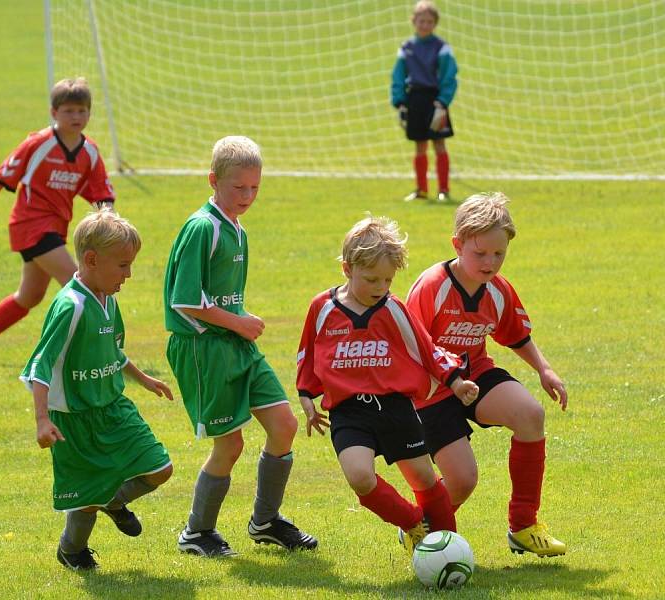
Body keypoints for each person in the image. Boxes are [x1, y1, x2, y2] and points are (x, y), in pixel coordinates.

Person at [163, 136, 317, 557]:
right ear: (213, 180)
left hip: (235, 342)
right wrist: (239, 323)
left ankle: (265, 521)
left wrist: (241, 321)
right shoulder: (202, 228)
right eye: (238, 188)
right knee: (230, 445)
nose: (247, 196)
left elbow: (222, 297)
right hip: (204, 348)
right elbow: (185, 299)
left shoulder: (237, 229)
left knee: (284, 426)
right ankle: (197, 532)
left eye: (254, 188)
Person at [296, 216, 478, 554]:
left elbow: (426, 348)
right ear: (347, 268)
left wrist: (455, 381)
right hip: (348, 411)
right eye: (371, 279)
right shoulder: (322, 308)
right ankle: (413, 523)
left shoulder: (393, 308)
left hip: (395, 408)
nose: (380, 287)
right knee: (360, 478)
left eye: (388, 279)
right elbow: (308, 353)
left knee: (424, 478)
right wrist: (307, 395)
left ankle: (449, 548)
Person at [406, 192, 568, 557]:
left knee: (531, 415)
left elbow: (516, 334)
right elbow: (412, 347)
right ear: (457, 244)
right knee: (463, 480)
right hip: (430, 389)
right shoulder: (432, 287)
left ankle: (523, 526)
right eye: (480, 254)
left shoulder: (498, 289)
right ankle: (422, 524)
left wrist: (543, 368)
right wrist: (449, 380)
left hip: (474, 374)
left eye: (499, 254)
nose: (490, 262)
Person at [20, 209, 173, 570]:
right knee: (86, 499)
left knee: (160, 468)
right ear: (91, 260)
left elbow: (112, 352)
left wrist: (144, 379)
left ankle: (113, 501)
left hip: (113, 407)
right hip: (75, 419)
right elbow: (40, 365)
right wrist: (42, 419)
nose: (129, 274)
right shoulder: (70, 307)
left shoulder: (108, 299)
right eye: (123, 265)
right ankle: (71, 549)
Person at [0, 77, 115, 366]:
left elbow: (102, 193)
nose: (76, 117)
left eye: (82, 111)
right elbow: (4, 174)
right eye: (68, 111)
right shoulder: (39, 143)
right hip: (29, 224)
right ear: (54, 113)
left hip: (55, 228)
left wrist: (109, 219)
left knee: (29, 297)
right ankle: (83, 353)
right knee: (80, 282)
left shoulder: (89, 152)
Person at [390, 0, 458, 203]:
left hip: (435, 100)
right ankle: (421, 190)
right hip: (415, 100)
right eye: (421, 20)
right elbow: (398, 77)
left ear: (435, 23)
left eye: (429, 21)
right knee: (420, 146)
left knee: (439, 144)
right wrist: (400, 102)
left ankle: (443, 190)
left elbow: (449, 77)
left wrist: (442, 103)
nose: (425, 25)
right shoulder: (406, 48)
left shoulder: (442, 48)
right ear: (414, 21)